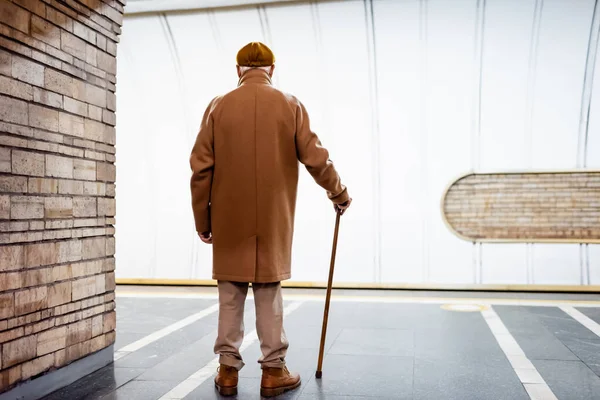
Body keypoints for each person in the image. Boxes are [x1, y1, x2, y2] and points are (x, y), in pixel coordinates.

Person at [189, 41, 351, 397]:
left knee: (230, 290)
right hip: (273, 219)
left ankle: (228, 371)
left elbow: (201, 168)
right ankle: (273, 371)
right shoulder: (290, 105)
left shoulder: (218, 106)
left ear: (237, 71)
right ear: (272, 69)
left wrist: (204, 219)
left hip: (229, 219)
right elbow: (316, 158)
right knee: (268, 289)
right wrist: (337, 193)